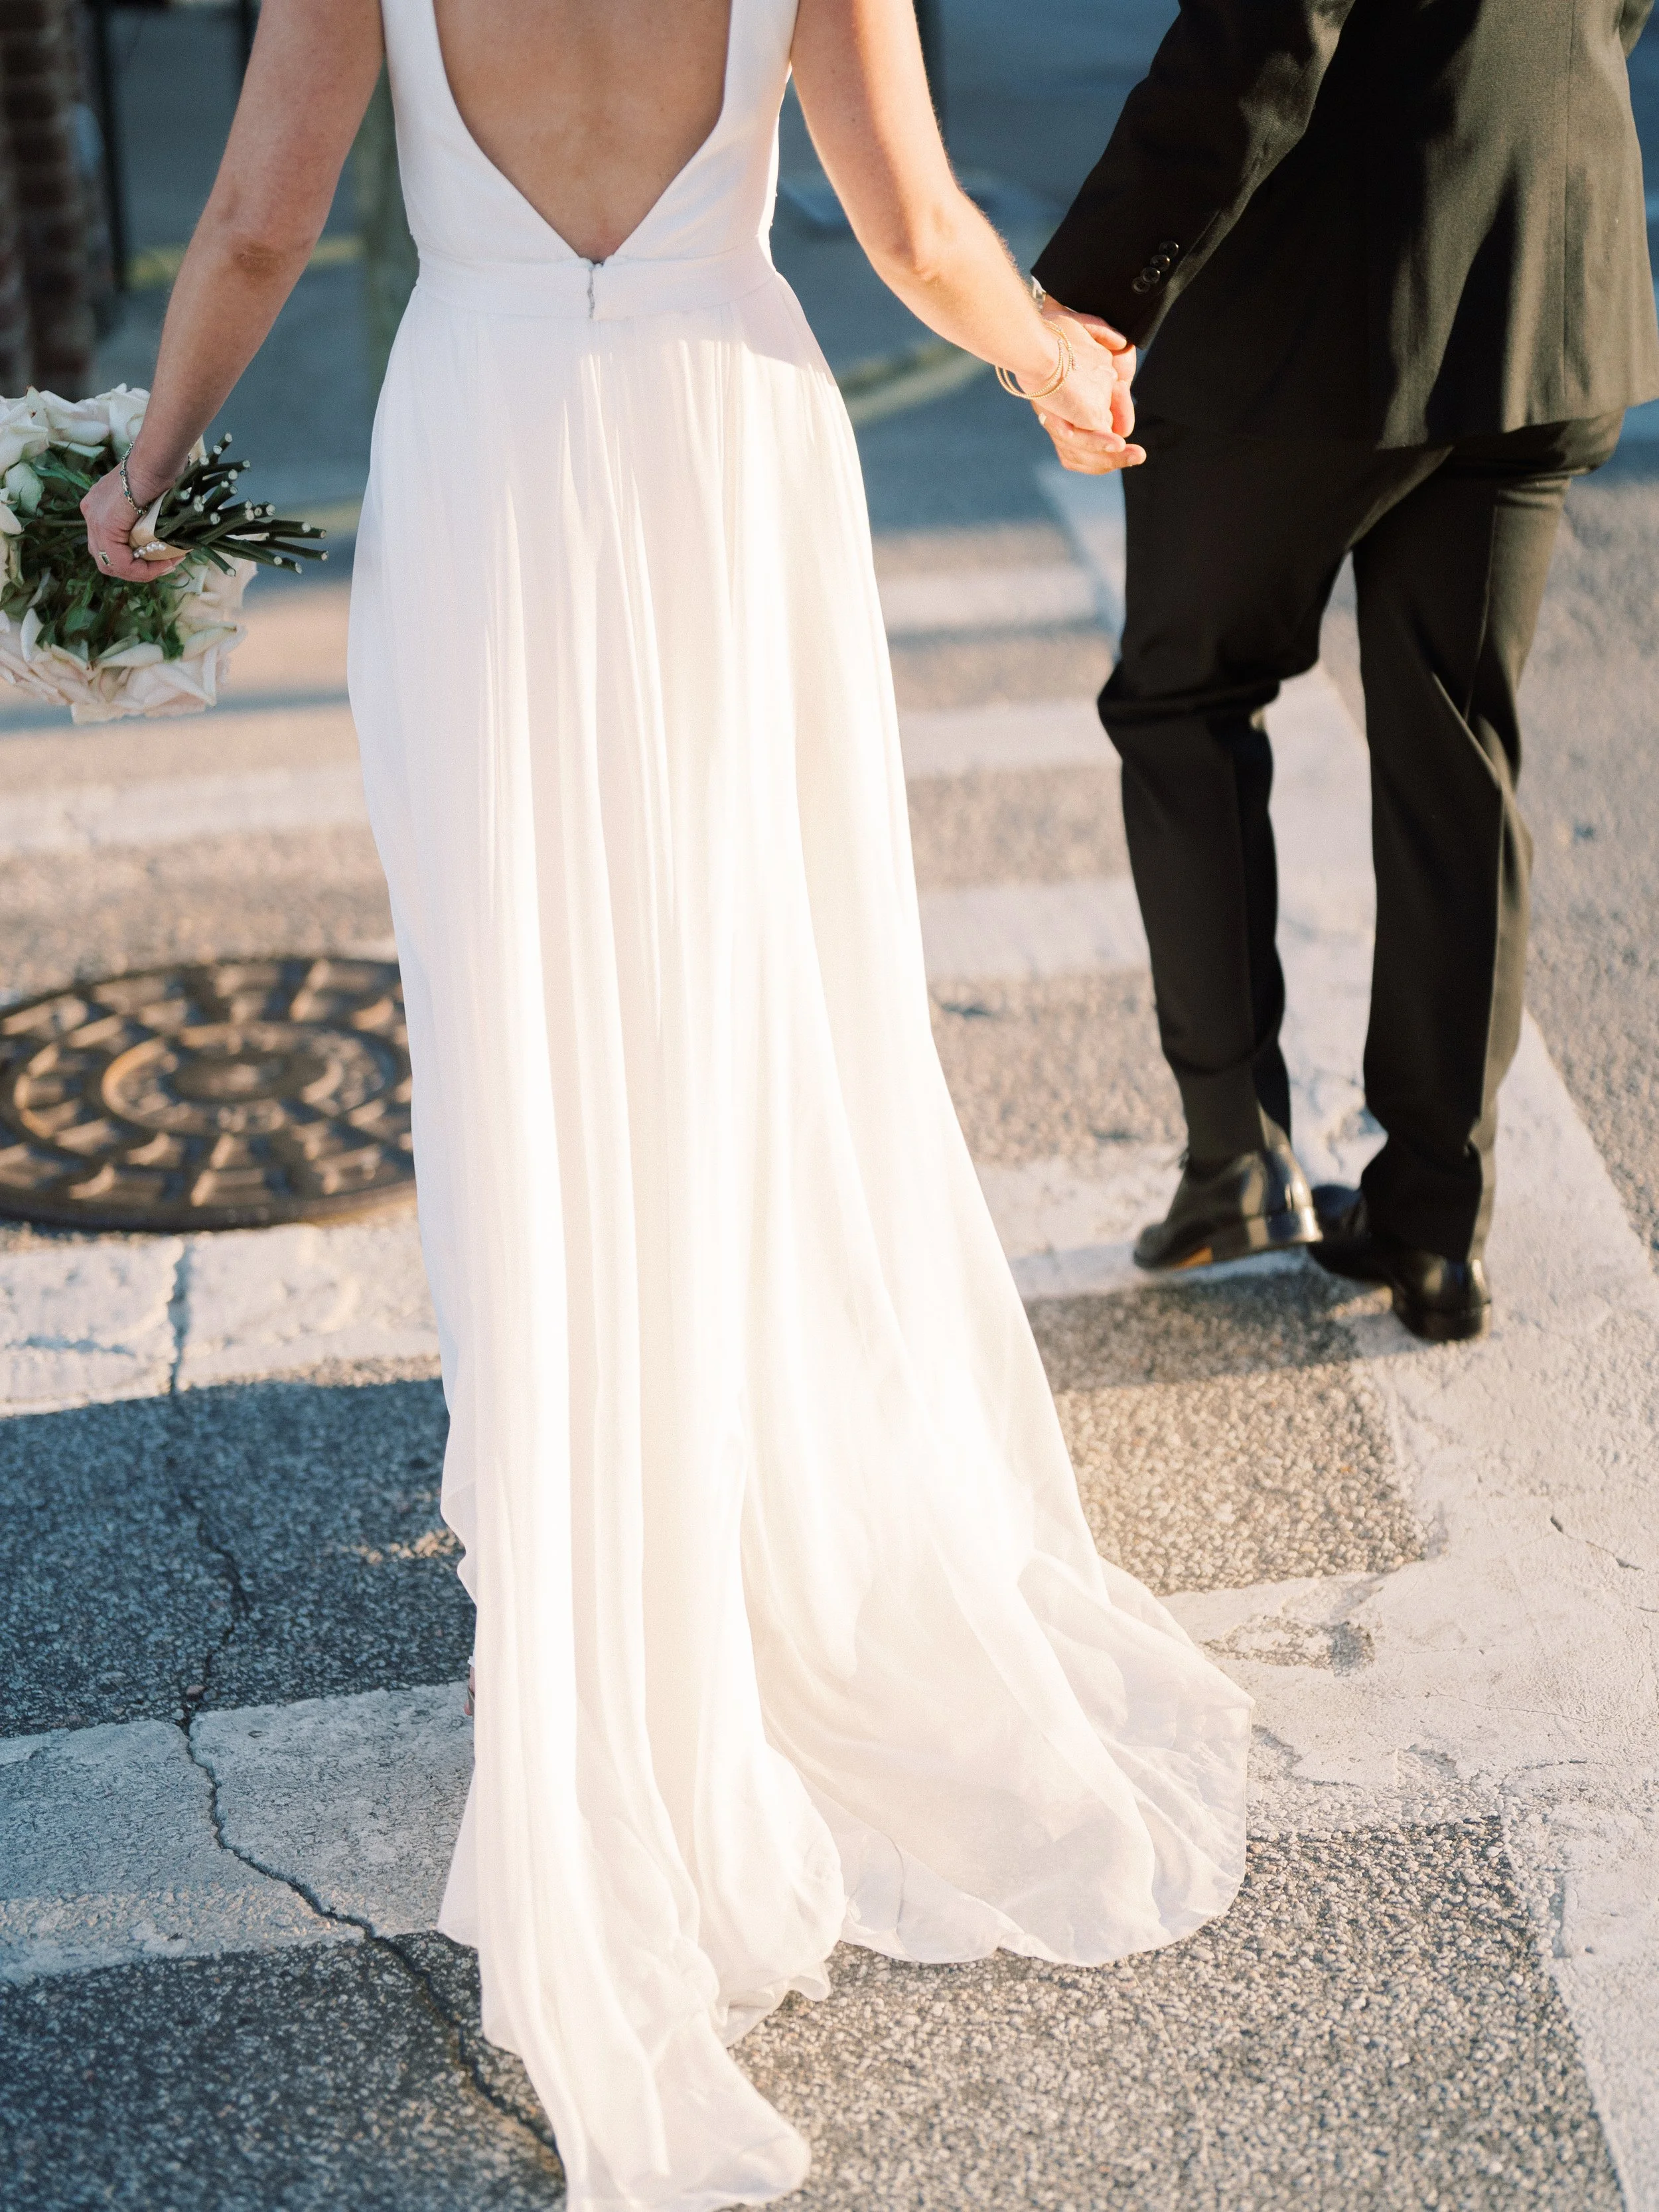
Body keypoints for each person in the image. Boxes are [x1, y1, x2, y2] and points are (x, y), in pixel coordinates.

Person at [84, 3, 1252, 2205]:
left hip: (499, 461)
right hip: (732, 457)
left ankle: (602, 1599)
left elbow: (253, 231)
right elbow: (912, 231)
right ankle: (737, 1530)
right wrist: (1052, 356)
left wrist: (152, 468)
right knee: (750, 1005)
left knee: (536, 1034)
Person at [1028, 0, 1659, 1344]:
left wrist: (1085, 300)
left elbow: (1265, 29)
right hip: (1548, 259)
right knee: (1453, 739)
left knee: (1181, 694)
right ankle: (1436, 1224)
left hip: (1327, 302)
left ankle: (1232, 1153)